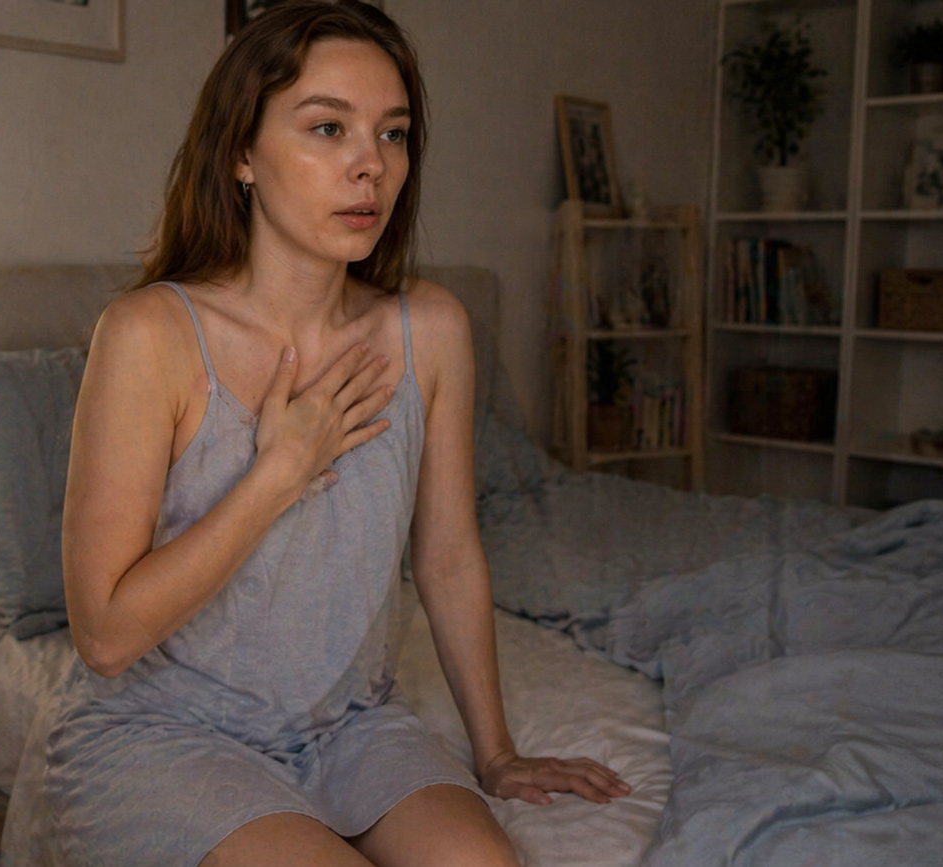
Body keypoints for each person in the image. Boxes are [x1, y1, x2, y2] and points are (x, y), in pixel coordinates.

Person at [47, 2, 630, 865]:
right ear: (242, 154)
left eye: (392, 134)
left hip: (350, 725)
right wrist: (279, 472)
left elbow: (447, 557)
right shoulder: (149, 335)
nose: (371, 166)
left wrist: (497, 751)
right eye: (328, 128)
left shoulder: (432, 329)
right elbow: (103, 637)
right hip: (164, 730)